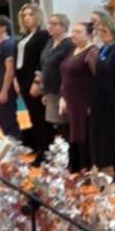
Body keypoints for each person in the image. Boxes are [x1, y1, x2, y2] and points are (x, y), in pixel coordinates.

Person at [92, 16, 115, 191]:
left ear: (113, 30)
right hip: (102, 101)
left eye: (104, 29)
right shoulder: (103, 49)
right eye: (100, 30)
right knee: (108, 140)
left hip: (114, 100)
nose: (101, 32)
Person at [61, 20, 98, 171]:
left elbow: (97, 79)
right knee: (74, 135)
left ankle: (87, 168)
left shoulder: (92, 52)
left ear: (88, 35)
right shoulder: (74, 50)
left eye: (78, 32)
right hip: (71, 101)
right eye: (73, 32)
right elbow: (65, 75)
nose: (73, 35)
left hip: (84, 102)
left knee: (85, 136)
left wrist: (92, 103)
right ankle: (77, 166)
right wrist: (63, 97)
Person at [13, 3, 50, 152]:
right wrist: (16, 80)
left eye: (30, 14)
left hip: (33, 78)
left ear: (38, 16)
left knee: (40, 115)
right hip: (23, 78)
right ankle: (37, 145)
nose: (27, 18)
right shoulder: (24, 36)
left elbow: (43, 59)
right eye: (24, 15)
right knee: (33, 115)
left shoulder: (43, 35)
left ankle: (44, 149)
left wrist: (37, 80)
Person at [37, 12, 73, 145]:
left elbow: (68, 70)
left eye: (54, 24)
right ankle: (64, 152)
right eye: (49, 23)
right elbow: (45, 65)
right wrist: (44, 91)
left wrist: (64, 94)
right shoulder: (50, 42)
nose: (50, 26)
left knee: (65, 125)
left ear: (64, 26)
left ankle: (71, 153)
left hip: (62, 90)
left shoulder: (69, 44)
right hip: (50, 90)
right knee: (57, 125)